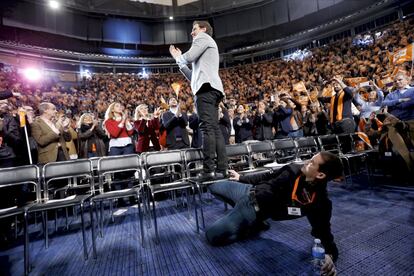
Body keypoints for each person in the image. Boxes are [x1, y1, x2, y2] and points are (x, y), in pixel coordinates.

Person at [205, 151, 343, 276]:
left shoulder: (320, 204)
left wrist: (330, 255)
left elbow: (324, 232)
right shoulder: (292, 170)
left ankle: (251, 226)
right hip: (248, 191)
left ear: (320, 174)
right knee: (213, 187)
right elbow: (267, 175)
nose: (306, 161)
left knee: (212, 236)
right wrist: (241, 178)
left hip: (251, 209)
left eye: (312, 162)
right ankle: (247, 221)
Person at [169, 20, 228, 181]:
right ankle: (222, 169)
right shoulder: (205, 48)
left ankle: (208, 170)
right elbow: (192, 76)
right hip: (210, 88)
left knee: (207, 129)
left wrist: (178, 56)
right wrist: (178, 61)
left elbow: (188, 57)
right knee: (214, 129)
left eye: (194, 29)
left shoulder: (202, 38)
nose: (192, 32)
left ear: (203, 29)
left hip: (206, 90)